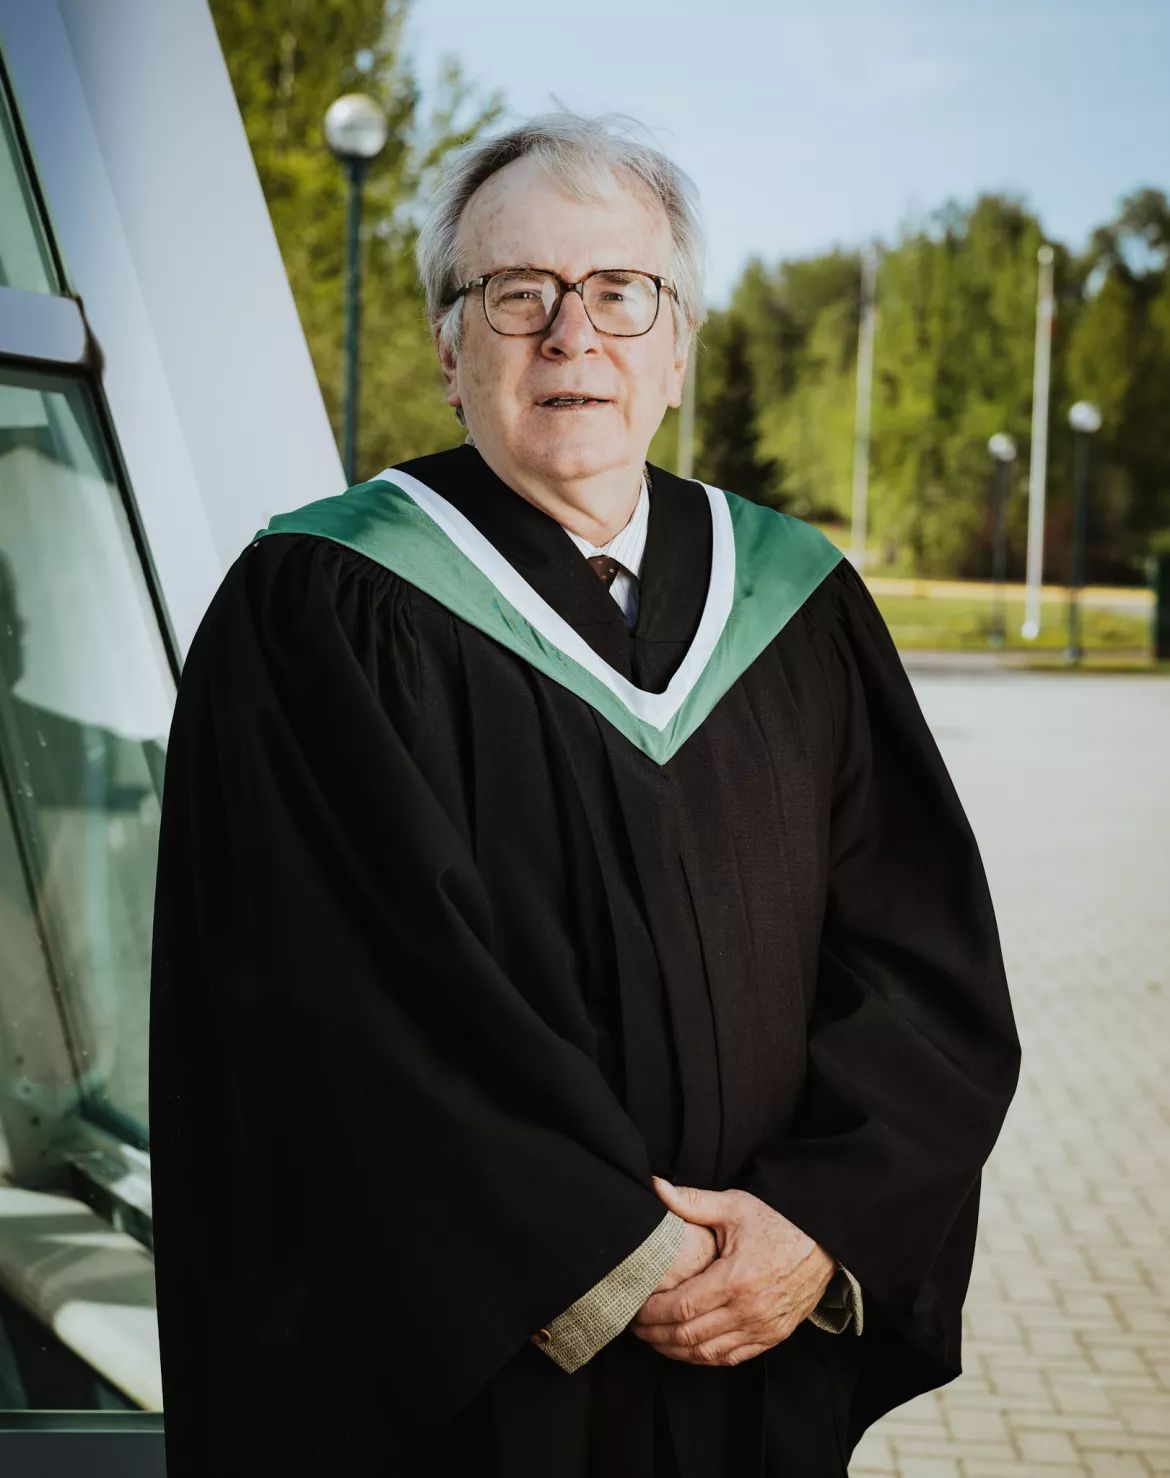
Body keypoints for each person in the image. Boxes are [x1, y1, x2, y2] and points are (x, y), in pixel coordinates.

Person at [148, 112, 1021, 1477]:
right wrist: (621, 1257)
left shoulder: (797, 600)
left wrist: (810, 1225)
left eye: (621, 292)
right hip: (474, 1381)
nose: (573, 337)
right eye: (517, 295)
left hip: (761, 1350)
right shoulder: (318, 603)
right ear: (448, 346)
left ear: (675, 342)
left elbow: (919, 963)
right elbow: (329, 1007)